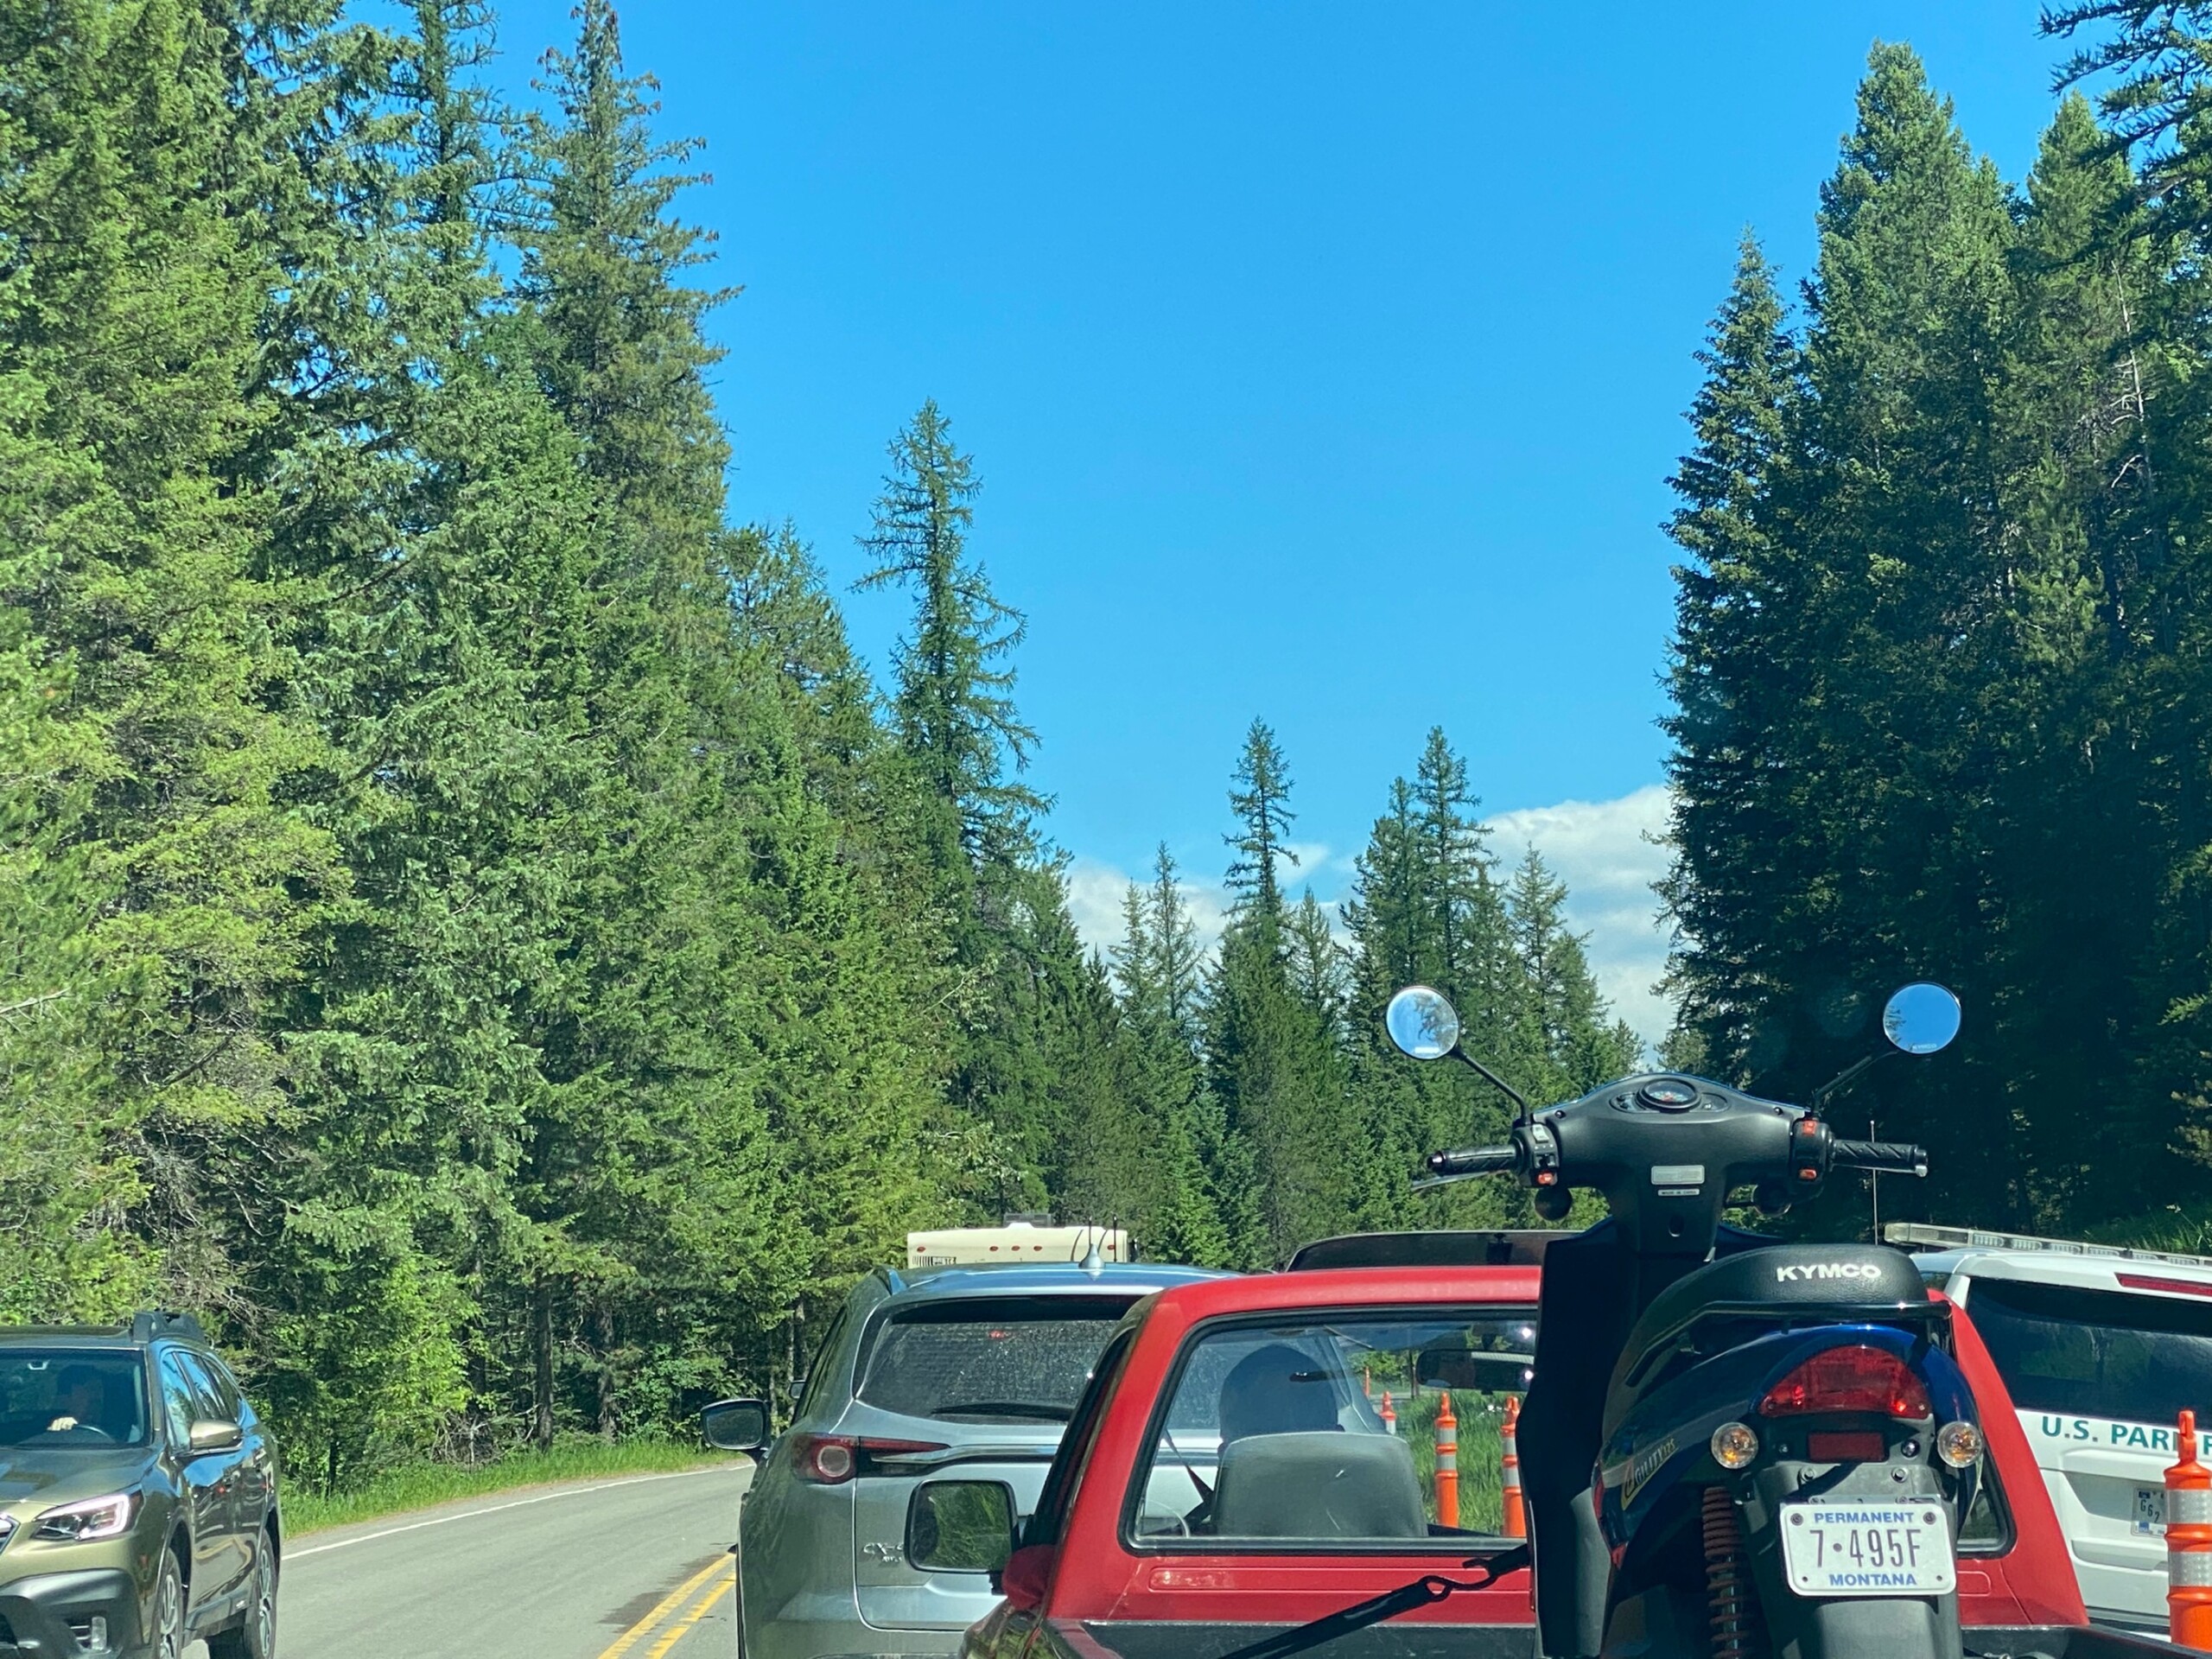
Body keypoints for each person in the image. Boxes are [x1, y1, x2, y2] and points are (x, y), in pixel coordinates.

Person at [48, 1365, 112, 1438]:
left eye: (100, 1389)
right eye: (91, 1389)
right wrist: (60, 1426)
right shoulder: (42, 1425)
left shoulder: (115, 1424)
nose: (97, 1395)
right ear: (65, 1397)